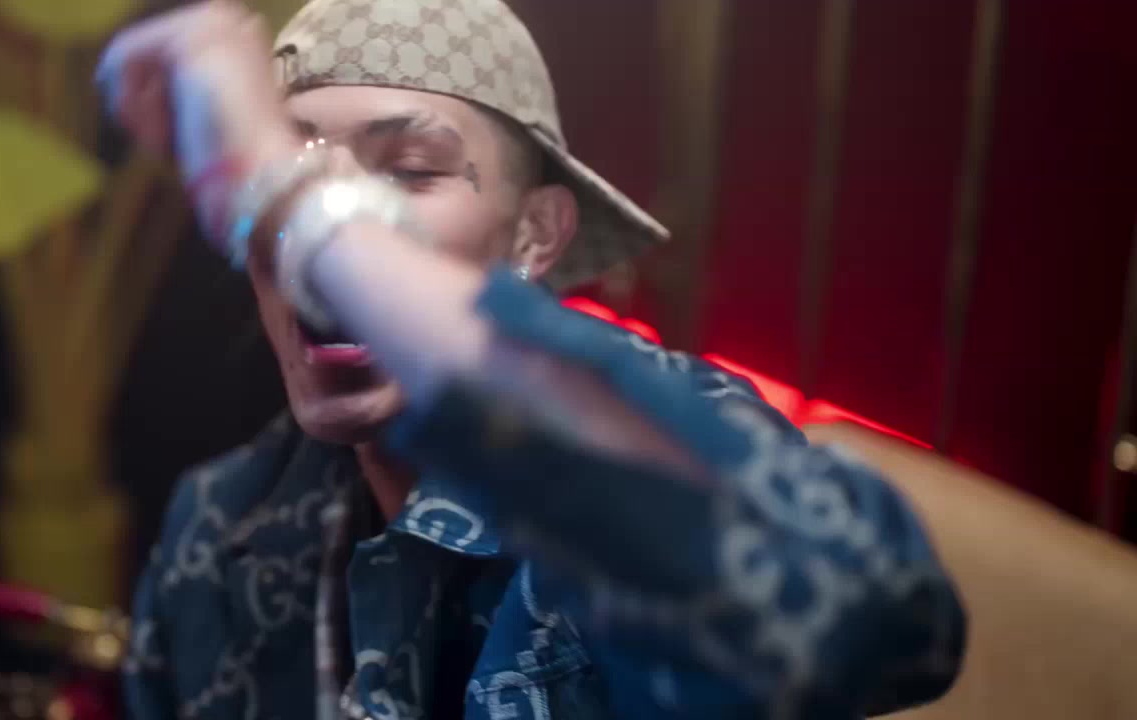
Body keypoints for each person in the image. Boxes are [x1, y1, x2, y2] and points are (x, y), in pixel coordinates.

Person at [99, 1, 966, 718]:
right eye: (288, 174)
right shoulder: (219, 524)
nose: (305, 242)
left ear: (534, 234)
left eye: (408, 170)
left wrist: (303, 203)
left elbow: (858, 615)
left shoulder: (673, 429)